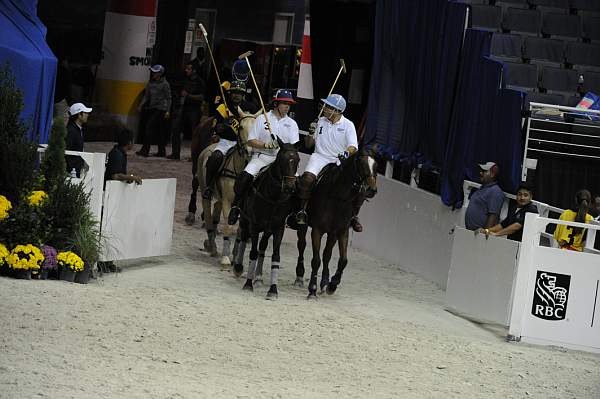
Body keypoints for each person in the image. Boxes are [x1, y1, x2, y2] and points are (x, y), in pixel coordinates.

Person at [227, 89, 300, 224]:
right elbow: (251, 140)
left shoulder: (292, 124)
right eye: (284, 103)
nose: (287, 107)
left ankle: (295, 215)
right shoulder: (262, 118)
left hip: (282, 161)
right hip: (262, 157)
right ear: (276, 104)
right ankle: (236, 206)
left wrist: (284, 150)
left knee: (298, 184)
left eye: (289, 104)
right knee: (245, 177)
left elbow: (293, 147)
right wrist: (266, 145)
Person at [295, 94, 364, 232]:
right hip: (319, 157)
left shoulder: (348, 125)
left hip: (338, 159)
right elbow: (309, 145)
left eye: (328, 107)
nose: (325, 108)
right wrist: (310, 134)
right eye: (326, 106)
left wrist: (345, 153)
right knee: (307, 179)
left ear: (337, 110)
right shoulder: (320, 121)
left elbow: (353, 147)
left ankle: (353, 216)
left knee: (358, 187)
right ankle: (300, 211)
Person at [201, 80, 257, 200]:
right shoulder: (223, 107)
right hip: (227, 141)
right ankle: (209, 187)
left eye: (239, 93)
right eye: (234, 92)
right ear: (230, 94)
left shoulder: (250, 108)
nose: (236, 95)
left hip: (245, 142)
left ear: (243, 95)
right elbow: (216, 126)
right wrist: (222, 126)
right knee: (215, 157)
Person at [99, 128, 142, 274]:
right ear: (129, 142)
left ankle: (107, 260)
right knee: (108, 228)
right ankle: (104, 262)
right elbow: (115, 176)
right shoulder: (117, 154)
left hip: (113, 195)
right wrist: (130, 177)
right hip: (109, 196)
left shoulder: (118, 152)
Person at [168, 61, 206, 160]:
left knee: (195, 134)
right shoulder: (185, 79)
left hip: (194, 109)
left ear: (194, 71)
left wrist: (189, 96)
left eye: (189, 69)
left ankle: (194, 156)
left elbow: (202, 97)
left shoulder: (200, 82)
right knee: (176, 129)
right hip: (184, 108)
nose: (186, 70)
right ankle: (175, 154)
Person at [136, 64, 172, 157]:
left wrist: (168, 111)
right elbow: (146, 96)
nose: (153, 74)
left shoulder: (165, 84)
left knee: (149, 127)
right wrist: (141, 105)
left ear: (160, 73)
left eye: (155, 72)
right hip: (152, 108)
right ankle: (161, 152)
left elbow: (168, 98)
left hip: (161, 109)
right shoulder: (150, 83)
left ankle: (145, 150)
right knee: (159, 131)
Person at [464, 162, 505, 231]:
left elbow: (493, 216)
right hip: (472, 234)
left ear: (492, 174)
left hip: (480, 237)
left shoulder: (495, 191)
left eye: (484, 171)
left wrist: (484, 235)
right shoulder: (483, 188)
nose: (480, 173)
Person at [65, 102, 92, 177]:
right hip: (71, 172)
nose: (87, 115)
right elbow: (67, 150)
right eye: (85, 113)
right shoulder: (71, 130)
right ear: (79, 115)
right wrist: (71, 169)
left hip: (75, 170)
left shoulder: (77, 129)